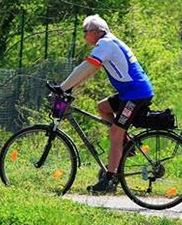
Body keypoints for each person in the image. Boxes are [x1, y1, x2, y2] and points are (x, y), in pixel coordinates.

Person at [57, 14, 154, 194]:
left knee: (115, 134)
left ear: (96, 32)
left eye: (85, 32)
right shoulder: (109, 43)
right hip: (130, 93)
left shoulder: (106, 44)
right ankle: (126, 145)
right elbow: (89, 71)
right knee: (103, 107)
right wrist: (71, 87)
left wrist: (63, 87)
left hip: (135, 95)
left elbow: (87, 67)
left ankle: (108, 180)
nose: (84, 36)